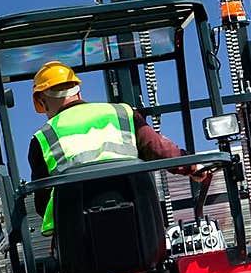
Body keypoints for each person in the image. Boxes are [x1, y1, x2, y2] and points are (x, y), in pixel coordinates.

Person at [28, 61, 202, 235]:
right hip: (140, 229)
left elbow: (43, 202)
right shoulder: (121, 113)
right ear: (78, 91)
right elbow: (159, 149)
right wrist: (194, 167)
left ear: (42, 102)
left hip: (78, 243)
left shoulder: (43, 138)